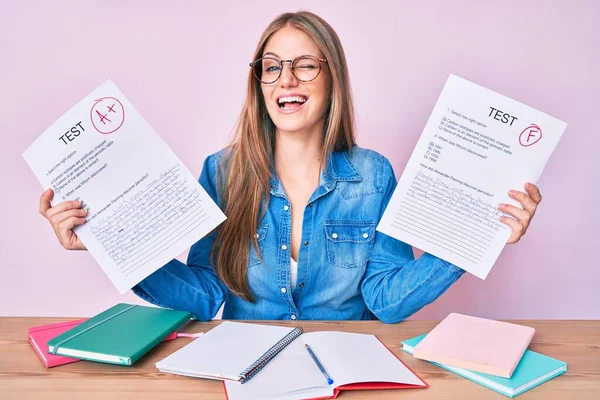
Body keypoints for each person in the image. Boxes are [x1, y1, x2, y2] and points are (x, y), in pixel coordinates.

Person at [38, 11, 542, 323]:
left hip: (346, 370)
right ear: (259, 82)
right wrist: (108, 244)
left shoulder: (374, 175)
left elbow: (387, 300)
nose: (286, 79)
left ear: (332, 78)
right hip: (243, 368)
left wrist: (478, 236)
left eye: (305, 64)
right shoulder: (223, 171)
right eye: (272, 66)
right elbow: (205, 293)